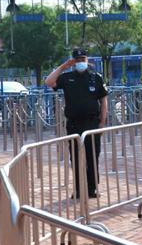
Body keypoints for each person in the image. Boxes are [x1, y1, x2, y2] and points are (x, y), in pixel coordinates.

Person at [45, 48, 108, 198]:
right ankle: (79, 189)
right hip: (74, 124)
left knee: (92, 157)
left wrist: (102, 122)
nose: (81, 62)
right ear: (73, 62)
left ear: (87, 60)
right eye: (77, 60)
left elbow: (103, 101)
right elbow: (49, 82)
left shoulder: (96, 78)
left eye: (83, 60)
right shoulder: (67, 78)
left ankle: (92, 188)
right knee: (76, 157)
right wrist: (63, 67)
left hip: (92, 123)